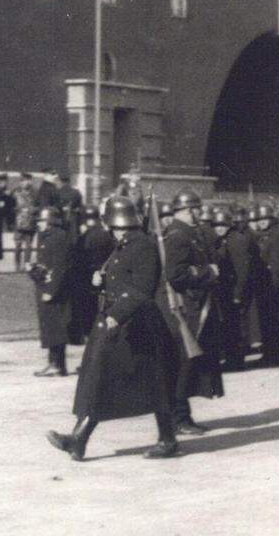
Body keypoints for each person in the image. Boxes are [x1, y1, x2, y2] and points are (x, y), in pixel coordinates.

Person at [47, 196, 180, 461]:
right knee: (100, 381)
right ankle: (79, 440)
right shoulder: (122, 246)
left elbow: (143, 288)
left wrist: (118, 315)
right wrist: (101, 280)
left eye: (117, 226)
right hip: (115, 323)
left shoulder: (143, 246)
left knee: (155, 384)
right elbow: (121, 279)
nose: (115, 231)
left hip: (137, 326)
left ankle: (168, 439)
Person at [162, 189, 224, 434]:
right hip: (186, 307)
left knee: (188, 361)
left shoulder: (189, 233)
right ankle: (179, 418)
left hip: (193, 304)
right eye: (197, 209)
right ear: (188, 210)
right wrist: (209, 272)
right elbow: (175, 275)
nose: (200, 213)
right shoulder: (178, 236)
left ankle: (181, 416)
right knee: (184, 361)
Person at [30, 206, 75, 377]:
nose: (39, 224)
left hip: (54, 292)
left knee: (56, 328)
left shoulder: (59, 238)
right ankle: (55, 363)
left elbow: (60, 267)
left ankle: (57, 364)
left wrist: (51, 290)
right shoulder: (47, 237)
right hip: (45, 288)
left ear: (50, 222)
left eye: (41, 221)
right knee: (49, 327)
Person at [213, 206, 254, 372]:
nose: (219, 228)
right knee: (229, 326)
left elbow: (242, 270)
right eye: (216, 225)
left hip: (234, 290)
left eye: (222, 225)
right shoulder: (221, 240)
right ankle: (232, 357)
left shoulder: (236, 239)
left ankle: (237, 360)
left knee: (236, 326)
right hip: (225, 289)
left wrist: (238, 293)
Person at [250, 203, 279, 366]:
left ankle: (273, 354)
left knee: (272, 320)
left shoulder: (277, 236)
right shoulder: (262, 235)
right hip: (263, 283)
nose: (262, 222)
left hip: (271, 284)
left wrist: (275, 285)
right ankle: (268, 352)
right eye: (260, 219)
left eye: (265, 219)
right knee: (265, 320)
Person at [70, 206, 113, 345]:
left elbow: (78, 259)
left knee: (89, 316)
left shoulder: (86, 237)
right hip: (102, 279)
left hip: (86, 282)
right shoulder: (105, 234)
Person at [12, 173, 37, 272]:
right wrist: (18, 210)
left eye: (29, 180)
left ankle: (27, 264)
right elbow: (11, 206)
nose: (27, 182)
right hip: (19, 222)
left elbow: (38, 205)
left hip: (30, 222)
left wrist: (32, 210)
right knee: (18, 245)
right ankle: (17, 266)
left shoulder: (35, 193)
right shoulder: (15, 192)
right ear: (21, 181)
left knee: (29, 245)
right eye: (25, 180)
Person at [56, 172, 84, 241]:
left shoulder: (57, 192)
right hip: (73, 217)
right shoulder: (76, 192)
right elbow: (81, 207)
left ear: (61, 181)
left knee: (61, 238)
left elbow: (55, 206)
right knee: (73, 238)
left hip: (60, 218)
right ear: (69, 181)